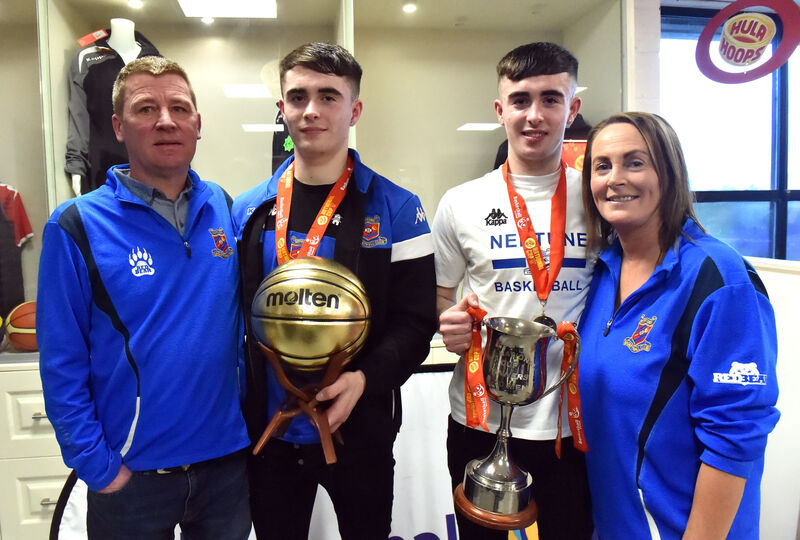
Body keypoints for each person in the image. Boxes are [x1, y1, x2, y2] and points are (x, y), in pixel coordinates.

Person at [37, 56, 251, 539]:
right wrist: (97, 466)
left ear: (198, 124)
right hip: (133, 479)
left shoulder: (223, 206)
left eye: (179, 107)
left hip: (226, 470)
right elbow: (61, 362)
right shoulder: (75, 226)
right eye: (146, 108)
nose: (166, 120)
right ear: (118, 126)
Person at [233, 42, 437, 540]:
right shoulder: (246, 211)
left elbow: (416, 323)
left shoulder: (398, 208)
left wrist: (364, 380)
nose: (311, 110)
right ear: (282, 108)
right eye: (297, 97)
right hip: (270, 435)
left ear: (355, 110)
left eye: (328, 96)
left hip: (361, 431)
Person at [578, 112, 780, 539]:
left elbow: (735, 438)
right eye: (602, 166)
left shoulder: (719, 280)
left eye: (635, 162)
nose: (615, 179)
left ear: (669, 174)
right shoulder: (600, 274)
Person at [432, 42, 593, 539]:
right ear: (500, 110)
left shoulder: (598, 197)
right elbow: (439, 296)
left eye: (551, 99)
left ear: (573, 108)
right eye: (520, 100)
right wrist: (448, 323)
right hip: (479, 418)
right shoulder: (461, 203)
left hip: (572, 422)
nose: (534, 115)